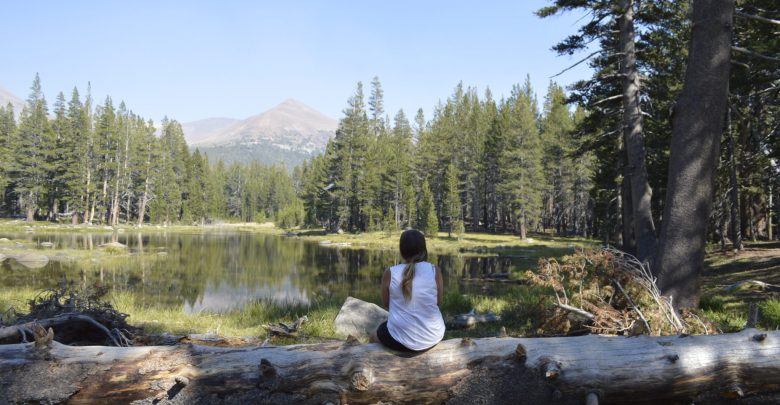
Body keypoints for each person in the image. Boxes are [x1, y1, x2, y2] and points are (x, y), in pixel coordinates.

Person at [371, 229, 445, 352]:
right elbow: (439, 301)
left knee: (373, 336)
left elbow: (386, 304)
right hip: (433, 335)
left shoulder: (390, 273)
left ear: (402, 251)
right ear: (424, 249)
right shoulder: (434, 270)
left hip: (398, 339)